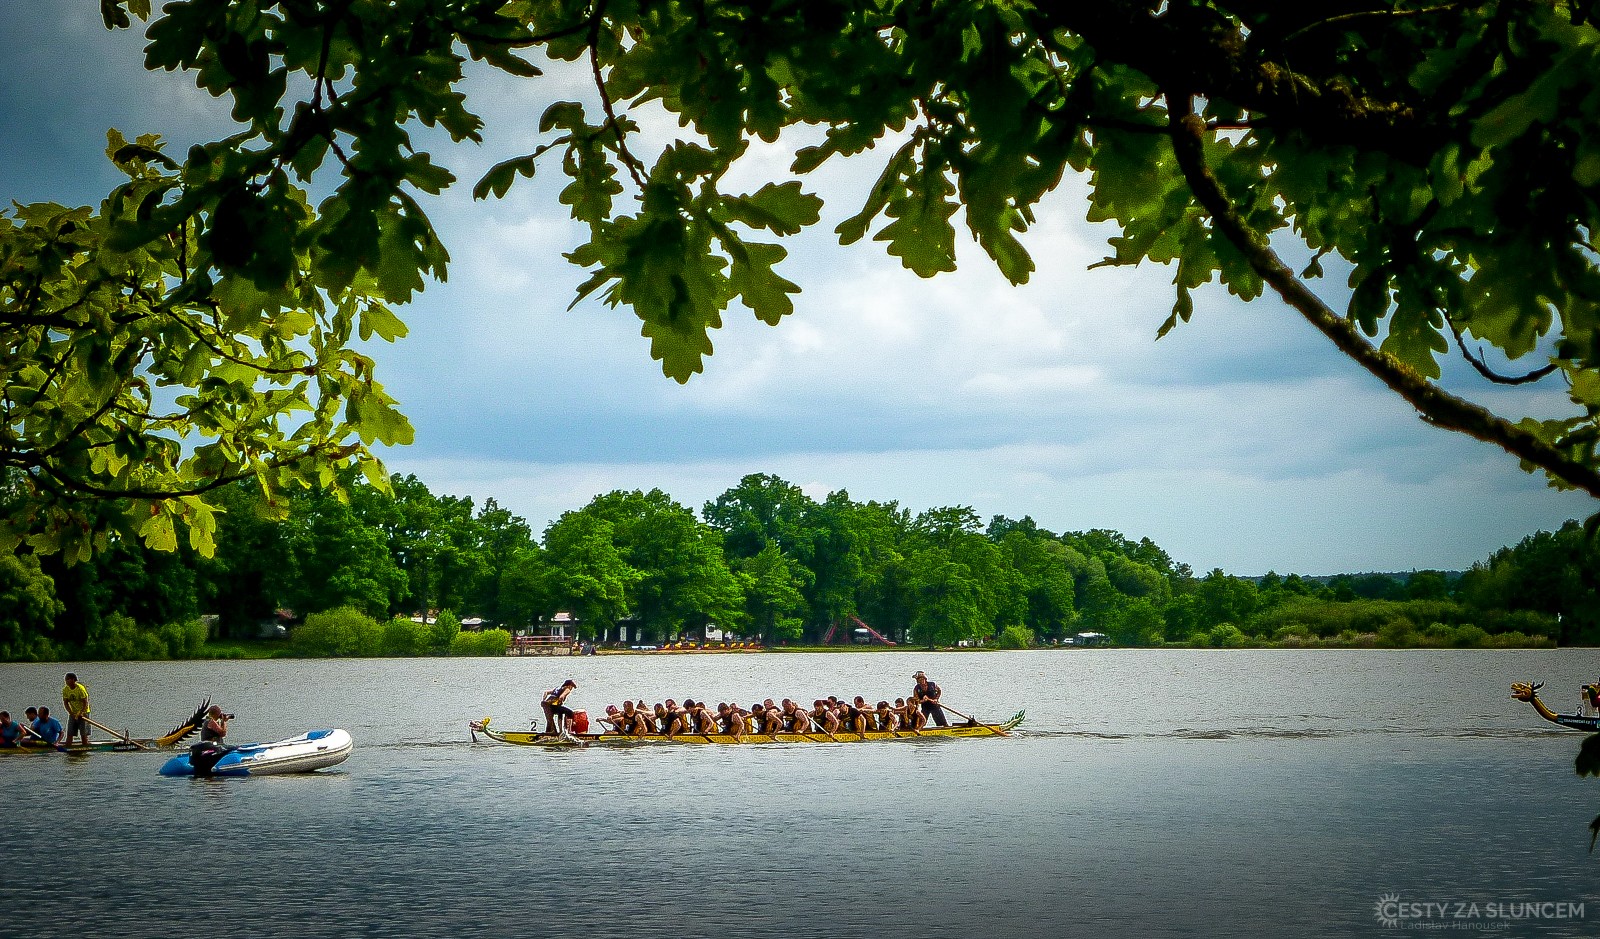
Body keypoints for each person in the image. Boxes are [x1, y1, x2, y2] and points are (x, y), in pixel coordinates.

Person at [62, 673, 91, 747]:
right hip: (73, 713)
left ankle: (85, 748)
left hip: (83, 712)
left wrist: (81, 713)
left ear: (73, 680)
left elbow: (85, 702)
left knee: (83, 734)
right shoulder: (65, 689)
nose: (66, 681)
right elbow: (65, 703)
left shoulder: (80, 689)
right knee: (70, 733)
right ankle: (68, 748)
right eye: (66, 679)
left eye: (68, 679)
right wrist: (71, 713)